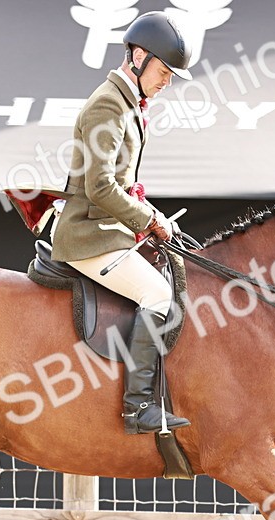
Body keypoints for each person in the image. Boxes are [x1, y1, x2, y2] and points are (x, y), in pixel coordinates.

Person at [51, 11, 194, 435]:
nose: (167, 81)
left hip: (110, 229)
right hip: (88, 236)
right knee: (156, 293)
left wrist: (154, 215)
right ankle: (137, 408)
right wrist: (148, 218)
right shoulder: (108, 105)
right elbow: (98, 187)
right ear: (137, 56)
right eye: (164, 71)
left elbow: (123, 184)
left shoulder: (127, 103)